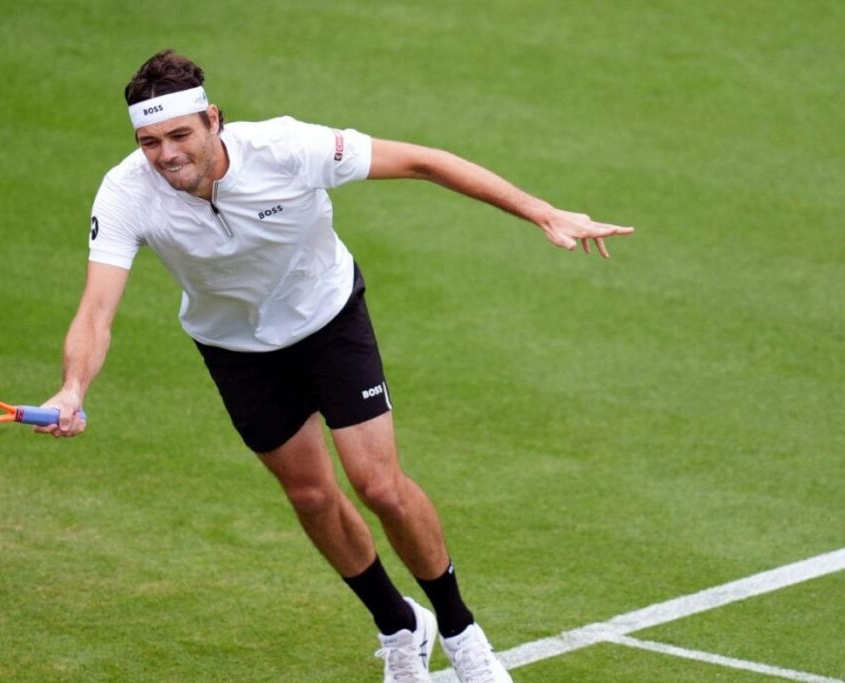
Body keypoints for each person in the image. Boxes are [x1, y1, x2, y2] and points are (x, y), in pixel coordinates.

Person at [37, 49, 633, 683]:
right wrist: (74, 388)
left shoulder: (289, 147)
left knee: (378, 485)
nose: (166, 155)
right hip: (236, 349)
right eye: (149, 141)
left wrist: (541, 210)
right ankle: (400, 628)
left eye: (180, 134)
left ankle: (462, 634)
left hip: (327, 318)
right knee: (312, 495)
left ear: (213, 120)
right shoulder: (127, 191)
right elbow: (96, 311)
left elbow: (427, 162)